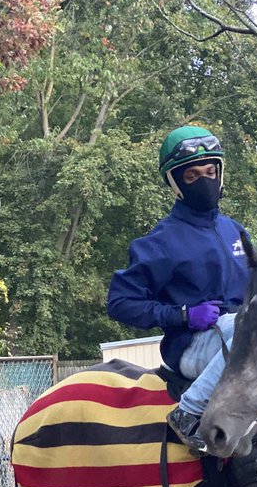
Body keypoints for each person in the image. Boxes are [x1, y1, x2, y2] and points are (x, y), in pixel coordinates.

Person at [106, 125, 249, 453]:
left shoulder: (235, 231)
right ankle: (188, 413)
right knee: (246, 331)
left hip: (237, 336)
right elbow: (119, 302)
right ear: (175, 183)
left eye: (211, 171)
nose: (205, 181)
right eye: (193, 176)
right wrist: (182, 315)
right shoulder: (161, 240)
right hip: (191, 346)